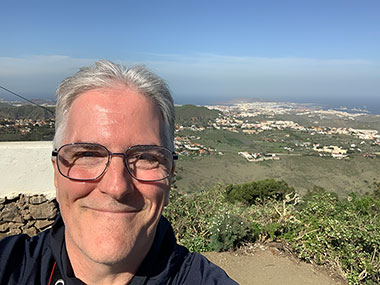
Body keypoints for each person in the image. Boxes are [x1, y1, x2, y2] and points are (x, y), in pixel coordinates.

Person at [0, 60, 237, 284]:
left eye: (145, 157)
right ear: (57, 172)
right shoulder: (9, 266)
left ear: (170, 177)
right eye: (88, 154)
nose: (116, 187)